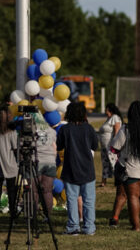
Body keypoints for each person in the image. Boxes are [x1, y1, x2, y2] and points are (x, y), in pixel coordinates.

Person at [109, 100, 140, 231]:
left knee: (133, 197)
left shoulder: (126, 129)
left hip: (131, 168)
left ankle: (136, 226)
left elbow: (114, 148)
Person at [57, 101, 98, 236]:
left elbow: (59, 146)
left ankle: (73, 227)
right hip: (87, 169)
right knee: (89, 201)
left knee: (72, 199)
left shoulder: (65, 129)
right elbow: (95, 146)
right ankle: (89, 227)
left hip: (71, 168)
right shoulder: (89, 128)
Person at [0, 106, 18, 225]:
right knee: (12, 192)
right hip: (10, 164)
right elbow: (15, 148)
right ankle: (12, 216)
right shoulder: (12, 132)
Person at [98, 103, 122, 187]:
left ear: (110, 110)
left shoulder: (115, 117)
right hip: (104, 146)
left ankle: (118, 181)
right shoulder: (108, 119)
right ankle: (103, 182)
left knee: (113, 163)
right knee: (105, 164)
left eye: (107, 110)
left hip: (110, 146)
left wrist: (114, 143)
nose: (105, 111)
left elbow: (117, 130)